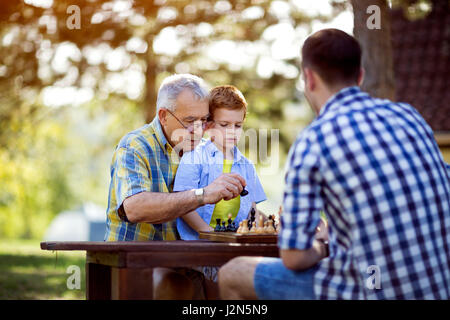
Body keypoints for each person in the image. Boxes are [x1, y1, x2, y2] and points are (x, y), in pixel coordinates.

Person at [218, 28, 450, 300]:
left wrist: (321, 244)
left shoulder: (313, 141)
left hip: (369, 290)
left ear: (309, 78)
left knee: (233, 273)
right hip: (438, 286)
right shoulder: (410, 117)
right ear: (360, 76)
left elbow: (294, 257)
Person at [104, 74, 247, 299]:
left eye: (203, 120)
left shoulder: (202, 151)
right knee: (174, 286)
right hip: (135, 263)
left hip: (187, 262)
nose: (198, 130)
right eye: (189, 121)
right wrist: (203, 194)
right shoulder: (135, 147)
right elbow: (135, 208)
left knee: (243, 284)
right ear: (163, 116)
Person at [172, 85, 267, 295]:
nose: (232, 132)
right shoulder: (195, 156)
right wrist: (208, 233)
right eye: (224, 125)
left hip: (233, 246)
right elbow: (182, 202)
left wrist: (271, 223)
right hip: (201, 248)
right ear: (207, 125)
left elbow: (252, 209)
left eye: (238, 125)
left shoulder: (246, 165)